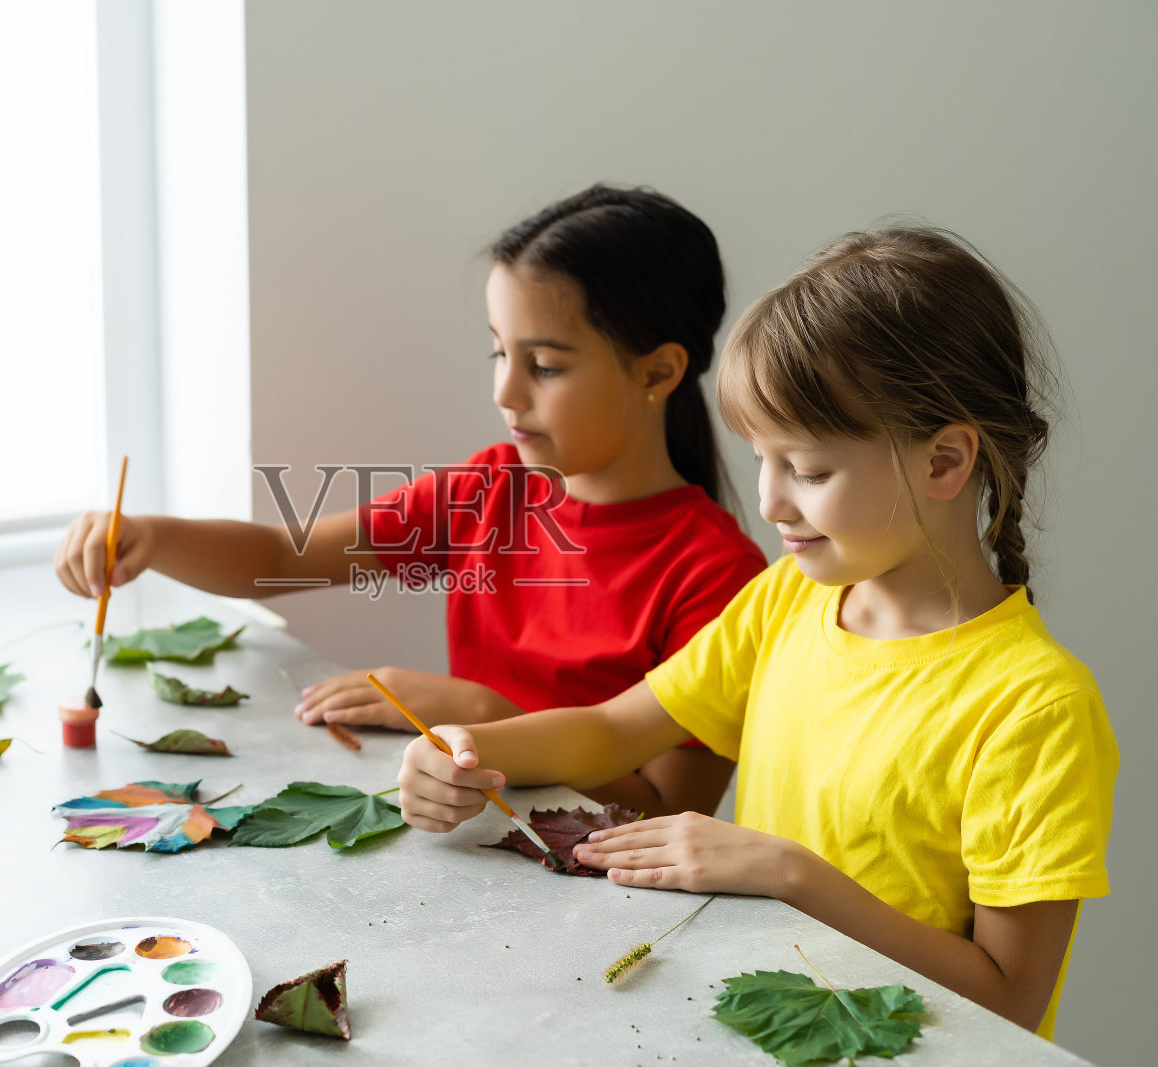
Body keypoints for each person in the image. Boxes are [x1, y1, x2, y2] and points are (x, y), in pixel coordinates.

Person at [395, 226, 1117, 1038]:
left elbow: (1009, 1000)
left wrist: (786, 871)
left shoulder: (1035, 706)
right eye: (761, 460)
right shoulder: (785, 601)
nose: (770, 502)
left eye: (808, 470)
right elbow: (612, 730)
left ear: (945, 461)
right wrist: (464, 748)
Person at [56, 184, 767, 817]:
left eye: (545, 365)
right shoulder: (489, 491)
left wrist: (487, 717)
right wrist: (150, 535)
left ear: (659, 371)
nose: (505, 393)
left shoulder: (719, 577)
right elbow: (278, 557)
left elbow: (670, 812)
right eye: (499, 354)